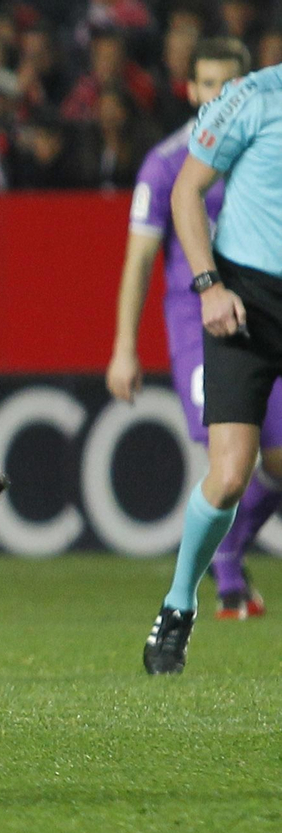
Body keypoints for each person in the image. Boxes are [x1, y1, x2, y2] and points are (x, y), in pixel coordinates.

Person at [109, 39, 272, 625]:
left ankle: (228, 550)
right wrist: (124, 347)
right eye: (208, 85)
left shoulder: (264, 146)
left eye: (229, 85)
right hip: (198, 321)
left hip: (264, 311)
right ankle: (224, 581)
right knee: (227, 461)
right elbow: (139, 260)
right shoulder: (167, 163)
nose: (218, 96)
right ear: (190, 89)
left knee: (277, 464)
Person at [145, 59, 282, 675]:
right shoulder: (252, 97)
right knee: (228, 476)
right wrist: (208, 285)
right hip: (245, 303)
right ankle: (179, 603)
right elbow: (186, 190)